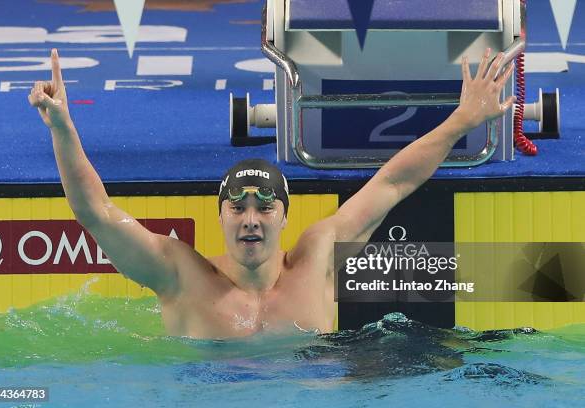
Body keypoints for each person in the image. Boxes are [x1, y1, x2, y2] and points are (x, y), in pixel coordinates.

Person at [29, 48, 515, 339]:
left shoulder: (319, 254)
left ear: (285, 216)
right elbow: (94, 211)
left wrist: (461, 122)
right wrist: (62, 128)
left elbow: (393, 181)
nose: (251, 219)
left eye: (265, 207)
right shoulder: (178, 273)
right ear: (220, 216)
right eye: (237, 208)